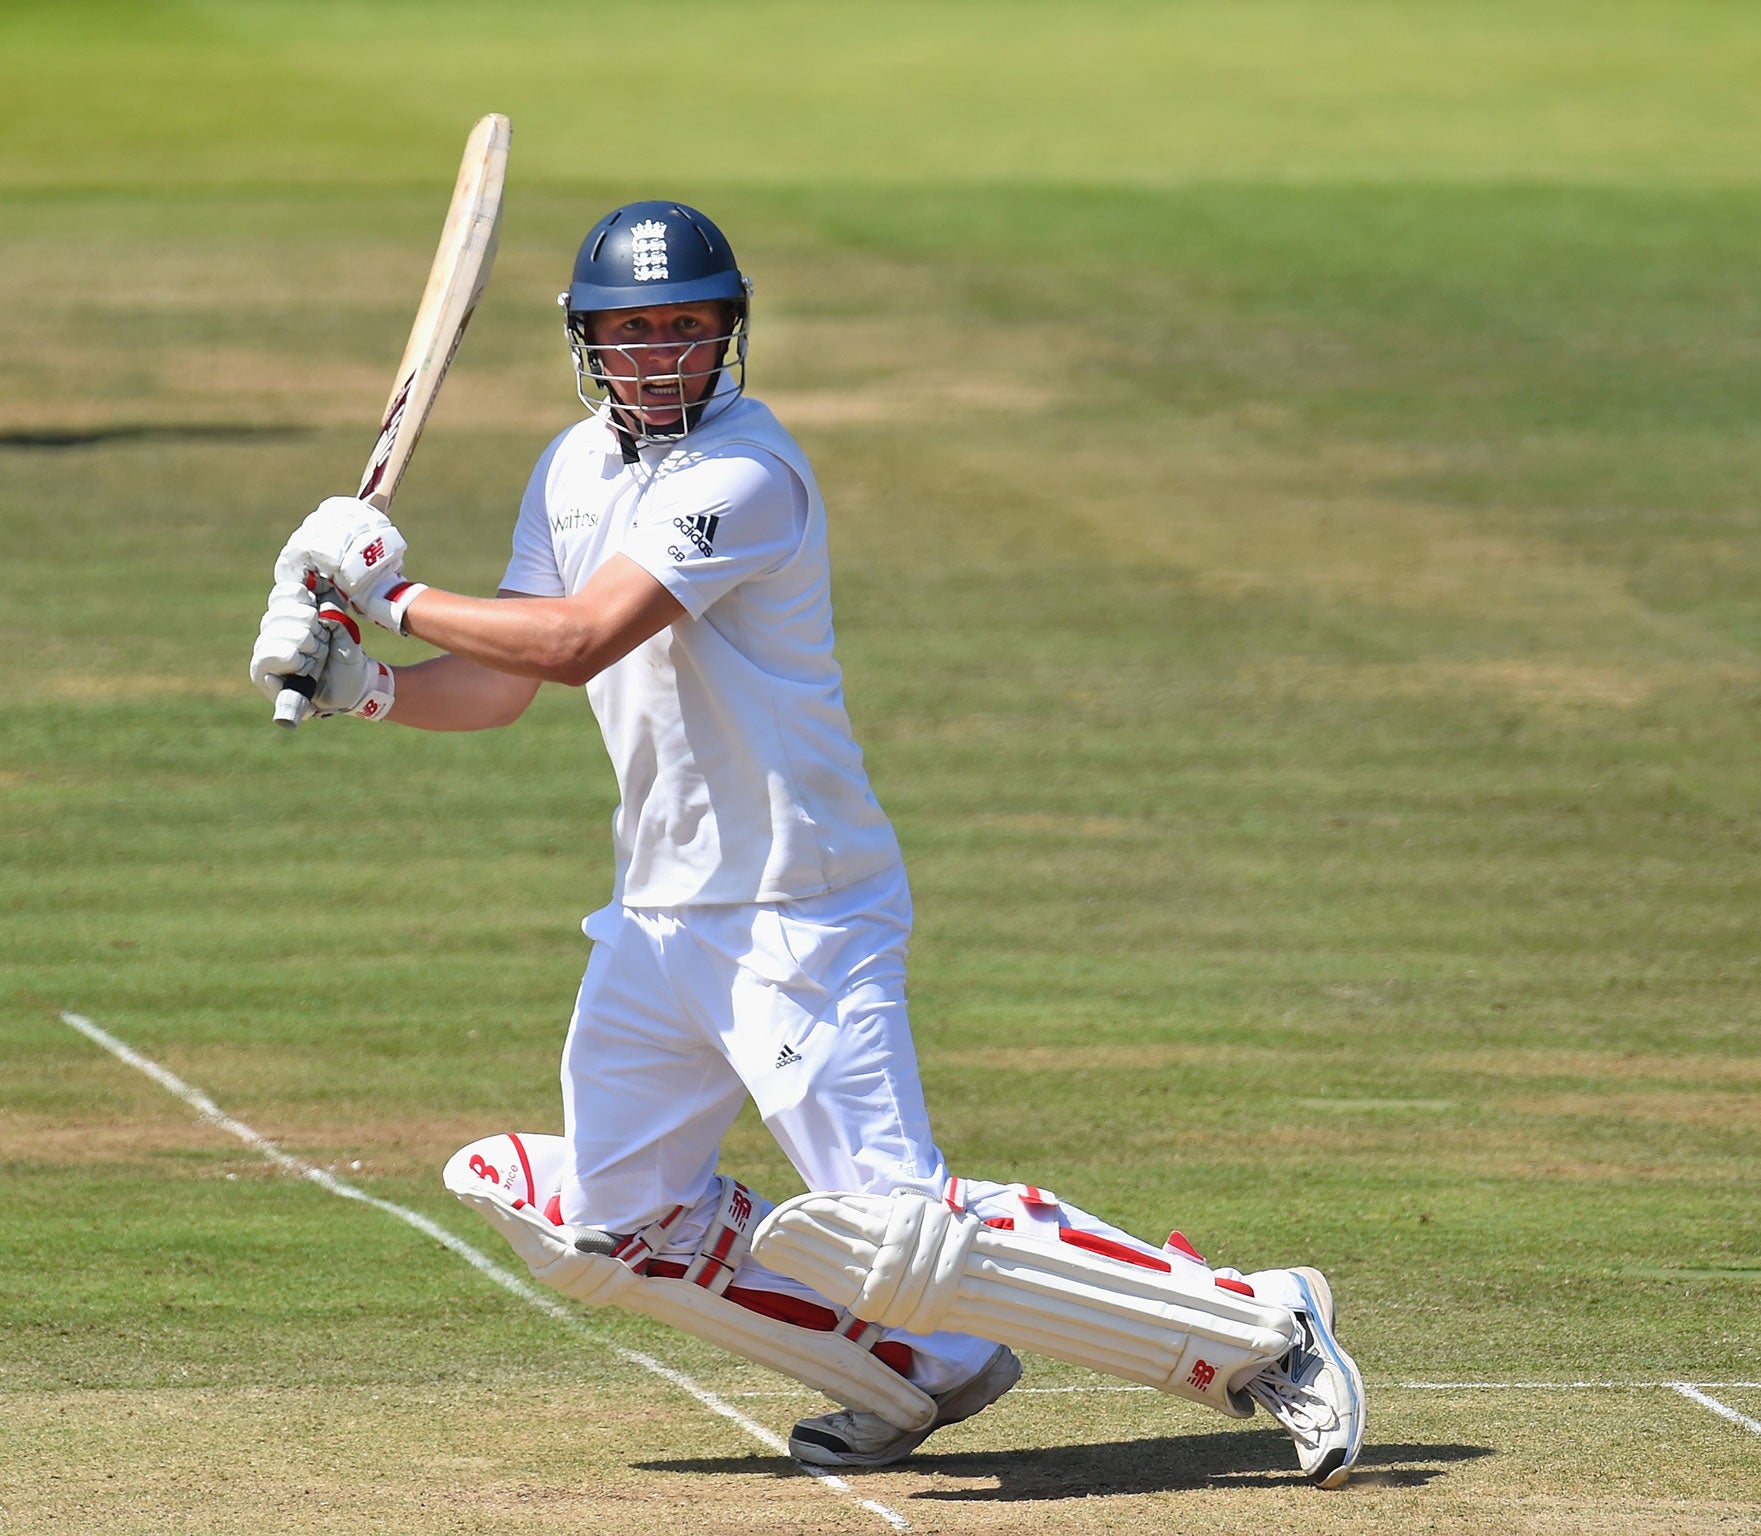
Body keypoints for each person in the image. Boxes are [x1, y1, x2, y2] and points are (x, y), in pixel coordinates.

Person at [249, 200, 1367, 1486]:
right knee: (614, 1229)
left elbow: (577, 642)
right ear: (588, 344)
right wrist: (367, 684)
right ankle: (910, 1370)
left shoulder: (744, 474)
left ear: (727, 335)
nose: (660, 352)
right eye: (631, 331)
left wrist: (383, 590)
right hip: (658, 917)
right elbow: (502, 681)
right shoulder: (571, 472)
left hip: (797, 908)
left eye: (686, 327)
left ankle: (1259, 1326)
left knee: (902, 1226)